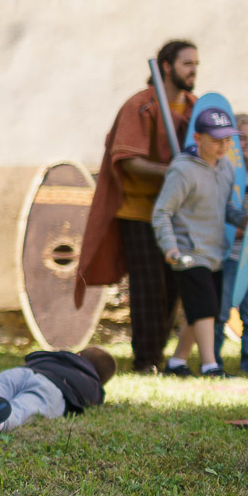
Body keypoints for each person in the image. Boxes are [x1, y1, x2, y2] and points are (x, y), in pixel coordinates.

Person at [76, 41, 199, 373]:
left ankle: (157, 353)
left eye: (196, 64)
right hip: (139, 211)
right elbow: (128, 159)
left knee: (173, 286)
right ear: (166, 67)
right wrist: (171, 171)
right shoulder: (140, 105)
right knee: (149, 286)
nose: (193, 70)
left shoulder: (195, 108)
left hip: (177, 213)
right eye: (187, 63)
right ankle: (146, 360)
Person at [151, 107, 248, 379]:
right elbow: (162, 212)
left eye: (227, 140)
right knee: (205, 308)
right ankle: (210, 366)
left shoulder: (226, 167)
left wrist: (244, 219)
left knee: (201, 311)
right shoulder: (183, 171)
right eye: (216, 140)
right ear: (198, 138)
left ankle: (177, 362)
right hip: (188, 253)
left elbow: (225, 208)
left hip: (214, 251)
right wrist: (170, 247)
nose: (223, 146)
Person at [216, 113, 248, 374]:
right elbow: (218, 208)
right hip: (228, 256)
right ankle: (213, 362)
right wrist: (232, 231)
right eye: (242, 138)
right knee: (220, 314)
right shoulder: (225, 172)